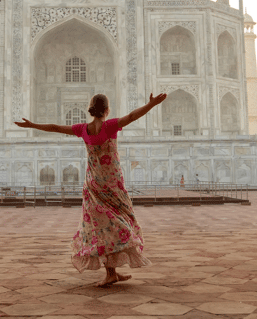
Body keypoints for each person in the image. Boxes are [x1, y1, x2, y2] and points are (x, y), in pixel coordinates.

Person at [15, 92, 167, 287]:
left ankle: (111, 272)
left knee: (101, 227)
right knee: (120, 221)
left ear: (91, 109)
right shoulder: (110, 126)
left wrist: (32, 125)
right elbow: (131, 117)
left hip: (93, 184)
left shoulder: (83, 129)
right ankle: (112, 271)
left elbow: (54, 127)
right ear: (106, 110)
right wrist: (151, 105)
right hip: (112, 183)